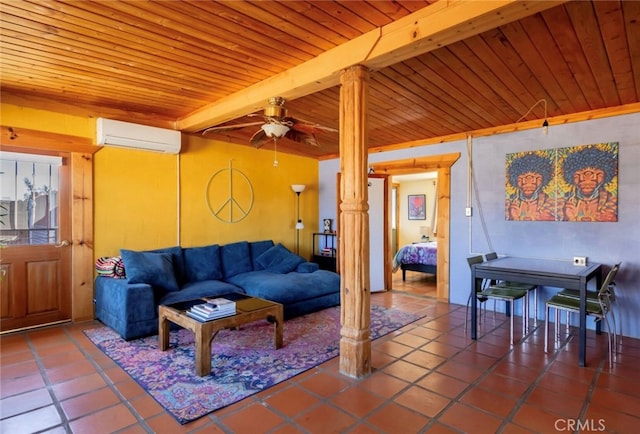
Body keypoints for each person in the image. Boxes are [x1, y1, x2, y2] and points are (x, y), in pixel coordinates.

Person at [561, 146, 617, 222]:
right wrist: (568, 218)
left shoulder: (613, 202)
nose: (587, 179)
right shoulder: (560, 203)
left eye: (596, 174)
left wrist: (613, 219)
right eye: (579, 174)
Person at [506, 152, 555, 221]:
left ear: (544, 179)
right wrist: (512, 217)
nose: (528, 183)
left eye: (535, 178)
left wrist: (549, 218)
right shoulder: (507, 205)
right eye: (523, 178)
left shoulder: (553, 204)